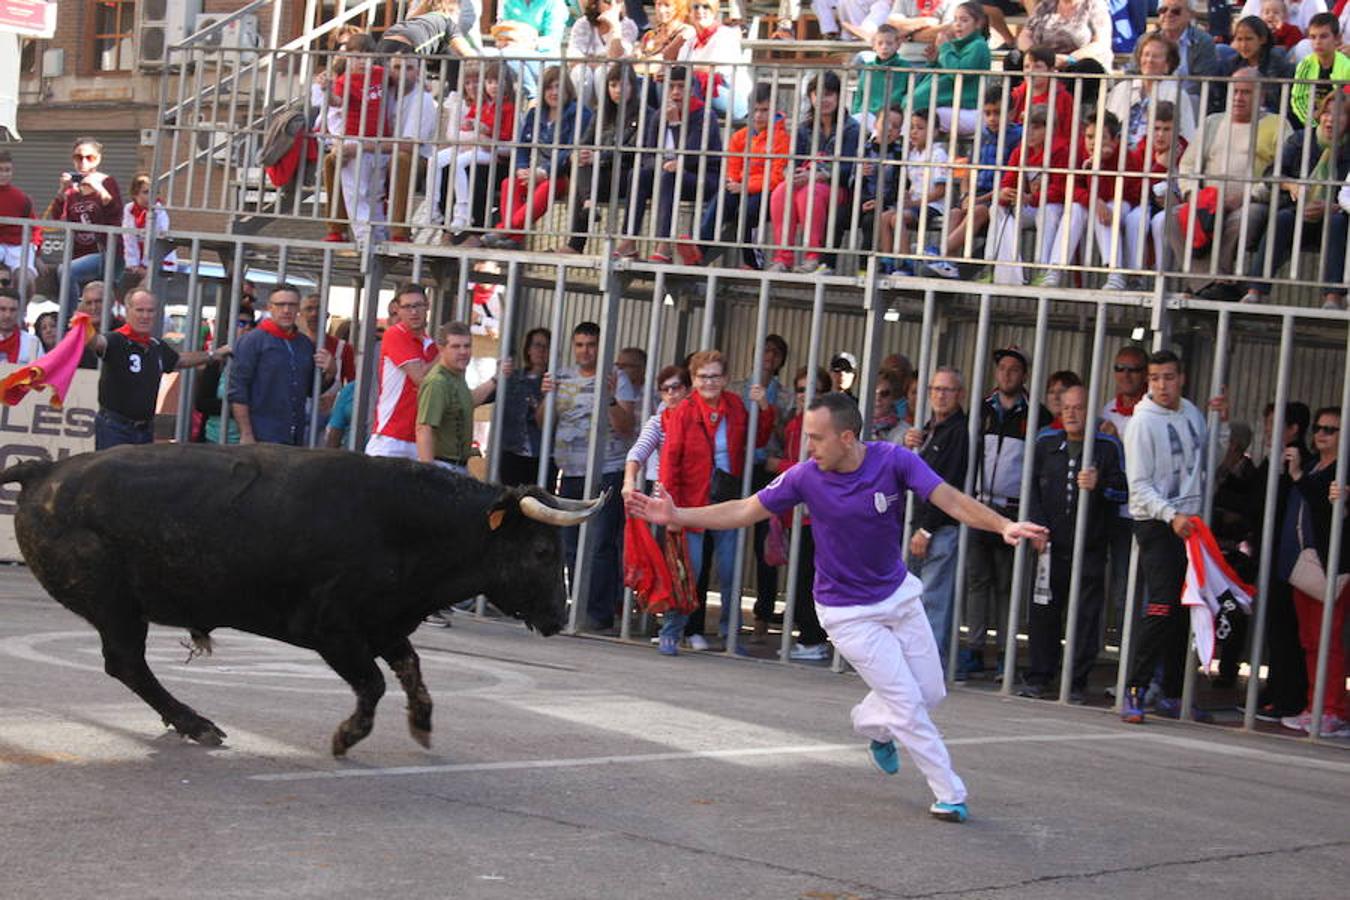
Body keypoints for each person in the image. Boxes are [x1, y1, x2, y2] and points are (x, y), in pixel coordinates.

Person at [628, 392, 1048, 824]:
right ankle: (949, 793)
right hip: (846, 612)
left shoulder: (894, 461)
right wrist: (678, 515)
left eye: (817, 438)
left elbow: (950, 499)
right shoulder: (804, 477)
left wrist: (1004, 525)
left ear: (847, 437)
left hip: (898, 595)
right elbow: (743, 509)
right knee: (905, 700)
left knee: (931, 692)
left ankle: (871, 724)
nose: (809, 447)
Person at [1120, 350, 1229, 724]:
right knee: (1161, 606)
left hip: (1191, 523)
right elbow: (1138, 487)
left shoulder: (1193, 412)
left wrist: (1221, 423)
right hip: (1157, 523)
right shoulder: (1141, 423)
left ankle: (1173, 694)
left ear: (1181, 378)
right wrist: (1170, 515)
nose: (1162, 385)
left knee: (1188, 609)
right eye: (1155, 379)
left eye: (1168, 377)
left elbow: (1207, 463)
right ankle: (1135, 690)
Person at [658, 349, 775, 653]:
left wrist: (764, 407)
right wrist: (669, 507)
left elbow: (757, 440)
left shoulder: (736, 406)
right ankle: (672, 628)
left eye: (715, 375)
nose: (709, 381)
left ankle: (731, 634)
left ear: (725, 379)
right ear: (693, 379)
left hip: (727, 501)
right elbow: (670, 459)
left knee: (730, 572)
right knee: (689, 569)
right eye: (702, 376)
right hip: (691, 502)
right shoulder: (683, 411)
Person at [1023, 385, 1127, 700]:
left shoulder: (1107, 446)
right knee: (1043, 612)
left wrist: (1100, 486)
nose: (1071, 413)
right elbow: (1031, 489)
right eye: (1066, 407)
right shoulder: (1045, 442)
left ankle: (1076, 680)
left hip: (1090, 547)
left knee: (1085, 615)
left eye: (1078, 407)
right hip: (1049, 546)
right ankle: (1040, 676)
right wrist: (1037, 528)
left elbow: (1124, 491)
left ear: (1091, 411)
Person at [538, 321, 637, 632]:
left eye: (591, 345)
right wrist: (546, 397)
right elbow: (543, 423)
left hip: (608, 470)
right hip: (571, 473)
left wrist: (608, 398)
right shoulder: (562, 377)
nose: (585, 351)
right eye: (579, 344)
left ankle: (598, 614)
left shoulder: (616, 379)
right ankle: (573, 608)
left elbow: (626, 427)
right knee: (569, 544)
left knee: (601, 544)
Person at [964, 346, 1048, 679]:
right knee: (977, 581)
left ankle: (1003, 654)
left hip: (1014, 512)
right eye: (1002, 369)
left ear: (1024, 375)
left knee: (1007, 586)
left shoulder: (1036, 414)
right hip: (980, 505)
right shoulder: (982, 409)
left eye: (1014, 369)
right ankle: (973, 648)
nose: (1007, 374)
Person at [1167, 68, 1284, 300]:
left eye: (1246, 93)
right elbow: (1188, 165)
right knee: (1172, 217)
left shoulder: (1277, 124)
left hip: (1252, 201)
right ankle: (1209, 284)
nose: (1238, 97)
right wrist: (1193, 195)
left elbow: (1282, 172)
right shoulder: (1213, 122)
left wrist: (1246, 196)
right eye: (1235, 91)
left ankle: (1217, 283)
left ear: (1261, 96)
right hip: (1208, 200)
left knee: (1241, 219)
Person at [1242, 91, 1350, 306]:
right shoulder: (1302, 139)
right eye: (1327, 113)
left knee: (1337, 223)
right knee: (1282, 219)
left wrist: (1334, 207)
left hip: (1337, 215)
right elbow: (1272, 174)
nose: (1330, 119)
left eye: (1339, 115)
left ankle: (1333, 295)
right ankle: (1256, 290)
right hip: (1300, 211)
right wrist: (1291, 184)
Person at [84, 288, 227, 450]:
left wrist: (213, 355)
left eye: (150, 311)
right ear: (128, 311)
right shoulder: (116, 340)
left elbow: (179, 360)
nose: (145, 316)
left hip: (145, 429)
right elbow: (97, 343)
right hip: (116, 428)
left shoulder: (155, 346)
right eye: (140, 310)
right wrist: (83, 325)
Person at [1284, 408, 1350, 737]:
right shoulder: (1312, 465)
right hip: (1305, 562)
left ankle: (1334, 709)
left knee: (1328, 640)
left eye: (1331, 430)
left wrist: (1298, 476)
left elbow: (1325, 505)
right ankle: (1314, 704)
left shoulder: (1343, 468)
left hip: (1334, 565)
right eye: (1319, 428)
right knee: (1310, 640)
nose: (1321, 434)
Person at [764, 365, 834, 660]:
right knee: (800, 576)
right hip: (796, 511)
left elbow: (816, 468)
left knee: (810, 577)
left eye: (814, 390)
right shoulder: (794, 423)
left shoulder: (825, 427)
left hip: (815, 513)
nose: (807, 395)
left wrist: (776, 466)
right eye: (802, 389)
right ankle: (807, 636)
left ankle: (813, 639)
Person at [903, 366, 970, 672]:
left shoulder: (959, 432)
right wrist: (910, 444)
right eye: (936, 389)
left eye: (948, 390)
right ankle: (917, 665)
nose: (940, 396)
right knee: (914, 602)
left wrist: (927, 530)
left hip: (938, 529)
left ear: (960, 395)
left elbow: (949, 484)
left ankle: (929, 669)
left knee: (932, 602)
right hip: (918, 525)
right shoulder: (928, 429)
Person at [482, 66, 592, 250]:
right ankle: (515, 239)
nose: (554, 92)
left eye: (559, 87)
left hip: (563, 173)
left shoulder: (581, 113)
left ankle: (505, 230)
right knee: (509, 183)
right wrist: (522, 168)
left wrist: (543, 172)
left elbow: (572, 150)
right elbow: (522, 147)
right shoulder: (535, 113)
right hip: (536, 170)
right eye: (549, 88)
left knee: (549, 185)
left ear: (568, 89)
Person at [624, 67, 722, 264]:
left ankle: (664, 245)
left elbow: (692, 157)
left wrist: (676, 125)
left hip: (702, 178)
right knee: (637, 174)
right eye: (671, 87)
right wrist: (662, 164)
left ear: (692, 90)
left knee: (670, 176)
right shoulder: (659, 115)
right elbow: (648, 155)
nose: (675, 92)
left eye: (681, 87)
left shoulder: (704, 116)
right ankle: (629, 240)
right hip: (667, 174)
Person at [768, 72, 861, 275]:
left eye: (828, 94)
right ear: (811, 97)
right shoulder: (804, 128)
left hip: (840, 189)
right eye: (818, 94)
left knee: (808, 193)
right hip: (809, 183)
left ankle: (813, 256)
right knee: (780, 193)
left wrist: (819, 175)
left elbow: (850, 169)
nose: (823, 100)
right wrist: (793, 173)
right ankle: (784, 258)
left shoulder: (852, 128)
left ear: (838, 96)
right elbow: (794, 160)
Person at [924, 85, 1020, 277]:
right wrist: (966, 195)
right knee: (954, 212)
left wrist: (978, 200)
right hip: (978, 197)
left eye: (998, 113)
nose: (992, 118)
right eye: (988, 113)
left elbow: (1011, 181)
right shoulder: (982, 136)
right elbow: (967, 171)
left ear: (1011, 113)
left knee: (978, 210)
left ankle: (939, 251)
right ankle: (946, 266)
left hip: (1001, 200)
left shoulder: (1017, 137)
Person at [692, 83, 790, 268]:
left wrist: (744, 186)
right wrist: (735, 183)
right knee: (722, 199)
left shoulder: (782, 139)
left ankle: (753, 261)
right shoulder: (740, 137)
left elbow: (777, 178)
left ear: (775, 110)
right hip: (743, 187)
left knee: (748, 210)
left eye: (764, 110)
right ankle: (699, 249)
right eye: (755, 110)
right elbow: (732, 168)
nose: (759, 115)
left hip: (768, 192)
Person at [228, 286, 335, 446]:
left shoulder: (304, 344)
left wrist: (331, 372)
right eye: (280, 305)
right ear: (269, 308)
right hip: (261, 435)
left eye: (292, 305)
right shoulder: (252, 341)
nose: (286, 310)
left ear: (298, 308)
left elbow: (311, 390)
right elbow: (238, 390)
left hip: (295, 435)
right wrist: (246, 433)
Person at [983, 106, 1073, 287]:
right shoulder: (1020, 151)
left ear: (1051, 129)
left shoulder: (1062, 151)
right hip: (1027, 205)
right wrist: (1005, 194)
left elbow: (1061, 190)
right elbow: (1008, 180)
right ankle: (993, 266)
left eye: (1037, 128)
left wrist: (1032, 198)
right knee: (996, 208)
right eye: (1027, 127)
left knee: (1048, 213)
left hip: (1052, 206)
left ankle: (1044, 270)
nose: (1030, 133)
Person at [564, 64, 647, 255]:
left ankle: (576, 243)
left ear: (633, 87)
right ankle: (589, 204)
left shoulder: (645, 113)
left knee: (585, 171)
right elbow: (585, 141)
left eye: (623, 85)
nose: (617, 90)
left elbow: (632, 150)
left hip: (627, 175)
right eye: (613, 85)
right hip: (599, 174)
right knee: (580, 162)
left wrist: (598, 156)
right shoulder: (601, 112)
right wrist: (579, 154)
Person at [323, 32, 388, 245]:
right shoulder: (345, 80)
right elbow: (337, 101)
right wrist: (327, 90)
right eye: (356, 56)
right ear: (348, 58)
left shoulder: (381, 74)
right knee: (355, 193)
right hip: (354, 140)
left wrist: (422, 84)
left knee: (375, 193)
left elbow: (400, 79)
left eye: (367, 56)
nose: (362, 61)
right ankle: (363, 237)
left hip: (377, 141)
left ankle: (378, 236)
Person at [1101, 345, 1148, 630]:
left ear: (1145, 374)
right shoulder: (1107, 409)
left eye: (1133, 369)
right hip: (1117, 513)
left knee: (1151, 592)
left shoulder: (1153, 410)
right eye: (1120, 368)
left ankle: (1148, 666)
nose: (1126, 375)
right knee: (1122, 589)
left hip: (1148, 513)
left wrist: (1118, 437)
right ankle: (1128, 663)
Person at [48, 137, 122, 316]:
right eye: (78, 157)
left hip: (107, 253)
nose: (83, 162)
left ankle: (69, 319)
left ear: (98, 159)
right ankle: (76, 320)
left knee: (66, 271)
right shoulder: (72, 189)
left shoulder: (106, 181)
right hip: (80, 254)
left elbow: (116, 212)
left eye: (89, 157)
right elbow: (57, 218)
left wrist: (100, 189)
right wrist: (62, 191)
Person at [366, 283, 439, 459]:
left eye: (418, 306)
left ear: (427, 306)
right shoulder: (395, 333)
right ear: (398, 310)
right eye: (407, 307)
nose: (413, 312)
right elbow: (421, 378)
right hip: (391, 438)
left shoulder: (432, 346)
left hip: (420, 439)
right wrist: (445, 354)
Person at [878, 109, 951, 270]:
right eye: (911, 127)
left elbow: (941, 191)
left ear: (934, 132)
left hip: (932, 206)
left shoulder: (938, 154)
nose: (914, 132)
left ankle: (907, 263)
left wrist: (914, 203)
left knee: (897, 219)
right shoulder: (913, 154)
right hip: (914, 205)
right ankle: (887, 260)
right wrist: (907, 196)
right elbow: (913, 183)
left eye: (920, 128)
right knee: (884, 217)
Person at [907, 2, 994, 137]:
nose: (958, 24)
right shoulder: (954, 46)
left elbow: (959, 74)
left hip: (966, 109)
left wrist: (945, 49)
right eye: (955, 20)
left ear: (978, 24)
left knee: (922, 119)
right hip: (948, 106)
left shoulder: (978, 46)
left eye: (964, 20)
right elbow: (938, 76)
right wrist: (933, 62)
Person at [1104, 32, 1198, 153]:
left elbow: (1187, 137)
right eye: (1146, 55)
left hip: (1155, 159)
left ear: (1167, 65)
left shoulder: (1177, 94)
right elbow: (1106, 126)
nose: (1149, 60)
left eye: (1156, 56)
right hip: (1117, 156)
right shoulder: (1122, 88)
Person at [385, 51, 441, 243]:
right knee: (336, 158)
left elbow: (410, 145)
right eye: (397, 67)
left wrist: (368, 146)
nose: (401, 73)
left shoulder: (423, 99)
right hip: (382, 151)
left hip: (419, 158)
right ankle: (338, 229)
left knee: (400, 159)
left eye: (408, 68)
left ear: (417, 72)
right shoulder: (385, 92)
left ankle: (398, 231)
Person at [1016, 0, 1114, 104]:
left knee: (1086, 66)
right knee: (1015, 58)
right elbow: (1024, 35)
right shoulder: (1046, 5)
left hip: (1078, 61)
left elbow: (1101, 43)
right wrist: (1037, 55)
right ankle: (1015, 107)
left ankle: (1069, 111)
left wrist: (1068, 59)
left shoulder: (1094, 5)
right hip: (1046, 60)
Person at [416, 321, 481, 472]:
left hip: (457, 467)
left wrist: (497, 380)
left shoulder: (457, 377)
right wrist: (429, 474)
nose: (463, 352)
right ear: (441, 349)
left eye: (467, 346)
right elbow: (424, 429)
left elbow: (468, 402)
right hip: (443, 467)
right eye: (456, 346)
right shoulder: (437, 383)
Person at [678, 0, 751, 121]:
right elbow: (678, 70)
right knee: (663, 84)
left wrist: (687, 69)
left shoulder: (726, 35)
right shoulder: (690, 41)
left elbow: (715, 69)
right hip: (702, 93)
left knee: (695, 81)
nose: (700, 11)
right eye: (695, 7)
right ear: (690, 13)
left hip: (733, 97)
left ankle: (692, 131)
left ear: (714, 10)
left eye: (706, 7)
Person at [499, 327, 552, 486]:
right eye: (537, 345)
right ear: (528, 349)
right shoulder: (513, 378)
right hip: (513, 453)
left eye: (546, 346)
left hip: (542, 456)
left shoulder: (553, 381)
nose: (541, 350)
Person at [1212, 16, 1295, 115]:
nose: (1243, 45)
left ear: (1262, 39)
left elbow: (1282, 103)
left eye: (1249, 39)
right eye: (1239, 39)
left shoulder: (1280, 65)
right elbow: (1219, 98)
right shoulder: (1229, 66)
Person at [198, 309, 256, 444]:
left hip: (250, 440)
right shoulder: (219, 361)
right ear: (229, 328)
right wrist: (239, 408)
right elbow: (202, 403)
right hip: (215, 439)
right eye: (241, 323)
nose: (247, 327)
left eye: (251, 324)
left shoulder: (258, 359)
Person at [493, 0, 569, 101]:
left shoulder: (555, 3)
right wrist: (502, 40)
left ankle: (533, 97)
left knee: (508, 54)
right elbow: (503, 32)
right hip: (514, 56)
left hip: (546, 59)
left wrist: (525, 44)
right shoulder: (509, 2)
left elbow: (553, 40)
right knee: (490, 54)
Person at [567, 0, 641, 104]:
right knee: (581, 72)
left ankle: (605, 116)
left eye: (618, 2)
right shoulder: (583, 24)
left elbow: (616, 61)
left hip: (615, 82)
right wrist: (603, 62)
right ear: (596, 4)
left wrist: (616, 27)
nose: (614, 6)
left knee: (603, 72)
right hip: (586, 80)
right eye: (608, 2)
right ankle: (579, 116)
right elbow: (573, 60)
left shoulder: (628, 25)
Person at [1290, 12, 1350, 128]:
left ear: (1337, 39)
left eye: (1323, 36)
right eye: (1313, 37)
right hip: (1312, 125)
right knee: (1292, 143)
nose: (1317, 42)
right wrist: (1313, 124)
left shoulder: (1347, 66)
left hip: (1341, 127)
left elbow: (1346, 104)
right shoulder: (1305, 64)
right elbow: (1298, 100)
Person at [1153, 0, 1219, 101]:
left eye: (1176, 11)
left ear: (1190, 15)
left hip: (1188, 102)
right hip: (1151, 98)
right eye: (1163, 10)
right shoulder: (1146, 41)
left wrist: (1172, 97)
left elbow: (1203, 85)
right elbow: (1133, 74)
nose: (1168, 14)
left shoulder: (1203, 42)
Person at [120, 173, 176, 288]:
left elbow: (159, 239)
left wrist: (148, 267)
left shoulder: (159, 210)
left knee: (145, 287)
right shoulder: (129, 209)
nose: (151, 197)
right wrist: (134, 264)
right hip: (138, 261)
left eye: (154, 192)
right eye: (146, 192)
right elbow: (128, 237)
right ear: (135, 194)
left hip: (159, 261)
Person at [851, 25, 915, 121]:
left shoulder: (906, 67)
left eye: (889, 43)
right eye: (880, 43)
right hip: (868, 115)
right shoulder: (868, 68)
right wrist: (855, 112)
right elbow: (859, 95)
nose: (884, 47)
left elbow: (910, 94)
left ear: (898, 45)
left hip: (893, 116)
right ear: (874, 46)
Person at [0, 150, 41, 287]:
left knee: (25, 280)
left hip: (18, 246)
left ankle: (21, 308)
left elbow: (35, 227)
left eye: (7, 170)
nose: (4, 174)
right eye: (0, 170)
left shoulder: (21, 198)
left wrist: (37, 252)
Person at [377, 0, 476, 57]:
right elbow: (466, 52)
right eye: (459, 13)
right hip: (406, 45)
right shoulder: (447, 21)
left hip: (385, 38)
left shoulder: (421, 18)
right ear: (453, 11)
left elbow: (409, 20)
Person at [0, 291, 40, 365]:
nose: (8, 315)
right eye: (2, 309)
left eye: (13, 310)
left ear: (18, 311)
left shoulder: (32, 342)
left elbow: (39, 372)